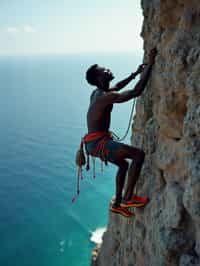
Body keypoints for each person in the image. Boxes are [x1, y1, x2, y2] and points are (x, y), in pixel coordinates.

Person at [83, 48, 157, 217]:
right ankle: (128, 198)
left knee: (123, 165)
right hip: (98, 143)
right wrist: (150, 64)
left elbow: (116, 87)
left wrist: (135, 74)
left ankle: (117, 204)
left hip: (93, 143)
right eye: (104, 71)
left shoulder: (97, 93)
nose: (108, 70)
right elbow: (135, 92)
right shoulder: (103, 97)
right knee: (138, 155)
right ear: (98, 78)